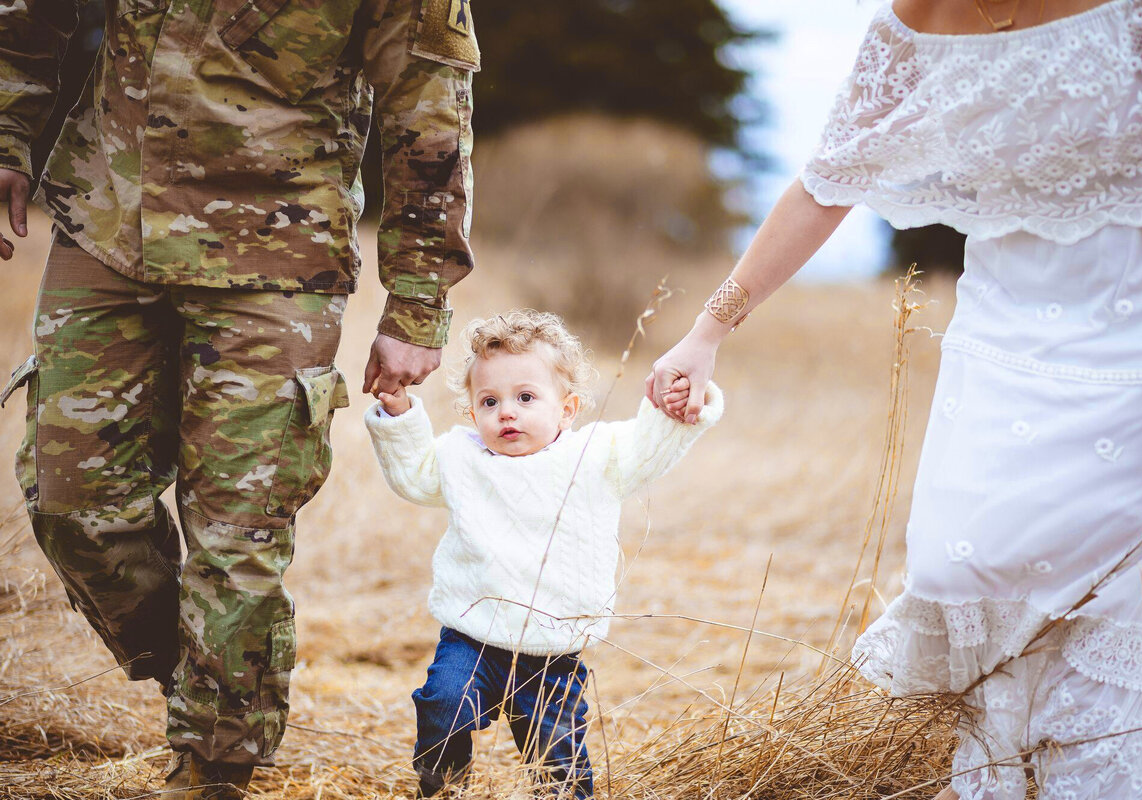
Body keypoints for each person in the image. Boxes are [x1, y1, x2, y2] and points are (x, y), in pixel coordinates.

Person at [646, 0, 1142, 797]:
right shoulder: (918, 19)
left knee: (1109, 632)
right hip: (999, 354)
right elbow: (827, 178)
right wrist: (708, 330)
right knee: (959, 580)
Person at [0, 0, 479, 796]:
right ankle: (201, 675)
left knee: (238, 532)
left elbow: (428, 107)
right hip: (108, 222)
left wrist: (418, 300)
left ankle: (214, 761)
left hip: (277, 259)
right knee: (71, 502)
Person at [364, 310, 722, 798]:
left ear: (567, 409)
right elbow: (414, 475)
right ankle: (444, 786)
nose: (506, 412)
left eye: (526, 397)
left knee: (560, 766)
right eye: (489, 401)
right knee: (442, 703)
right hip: (472, 637)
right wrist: (398, 415)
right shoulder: (462, 458)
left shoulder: (595, 458)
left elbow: (648, 447)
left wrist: (677, 407)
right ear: (472, 412)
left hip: (553, 649)